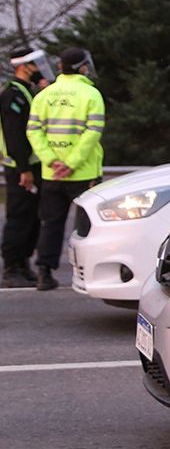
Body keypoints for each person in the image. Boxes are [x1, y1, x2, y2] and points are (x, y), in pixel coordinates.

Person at [26, 47, 105, 291]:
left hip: (52, 173)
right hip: (84, 174)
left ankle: (44, 273)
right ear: (82, 67)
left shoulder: (43, 95)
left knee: (51, 224)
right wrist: (71, 163)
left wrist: (52, 160)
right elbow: (93, 132)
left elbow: (33, 131)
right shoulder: (91, 94)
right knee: (90, 226)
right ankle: (91, 273)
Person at [1, 48, 46, 287]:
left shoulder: (28, 92)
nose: (38, 66)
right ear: (23, 66)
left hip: (33, 165)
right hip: (20, 168)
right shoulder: (12, 95)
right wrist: (23, 170)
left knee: (32, 217)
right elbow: (14, 137)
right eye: (34, 63)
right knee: (18, 217)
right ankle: (11, 267)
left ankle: (24, 263)